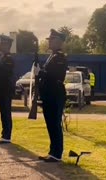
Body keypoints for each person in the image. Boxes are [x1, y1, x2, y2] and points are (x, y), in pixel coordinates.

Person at [38, 29, 68, 162]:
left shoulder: (60, 57)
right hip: (49, 93)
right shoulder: (52, 56)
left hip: (55, 93)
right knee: (50, 123)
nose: (49, 42)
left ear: (58, 41)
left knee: (55, 123)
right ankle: (53, 151)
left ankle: (57, 153)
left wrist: (41, 73)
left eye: (51, 40)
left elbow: (56, 76)